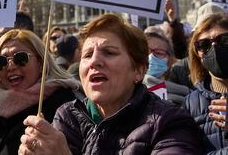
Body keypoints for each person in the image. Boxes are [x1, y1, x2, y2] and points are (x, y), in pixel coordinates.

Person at [19, 14, 203, 154]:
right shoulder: (67, 117)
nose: (94, 62)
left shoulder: (170, 123)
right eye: (87, 55)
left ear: (138, 70)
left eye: (109, 52)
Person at [183, 13, 228, 153]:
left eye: (224, 40)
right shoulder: (191, 103)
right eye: (204, 44)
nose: (214, 48)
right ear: (197, 54)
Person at [143, 31, 191, 105]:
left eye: (159, 53)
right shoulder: (126, 93)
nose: (150, 56)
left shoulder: (191, 99)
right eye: (145, 52)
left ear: (170, 60)